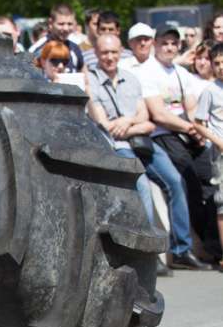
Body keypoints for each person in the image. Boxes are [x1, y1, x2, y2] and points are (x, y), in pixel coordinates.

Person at [88, 34, 202, 274]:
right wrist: (134, 123)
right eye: (105, 52)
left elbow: (145, 119)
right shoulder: (92, 81)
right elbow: (103, 124)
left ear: (121, 52)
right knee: (142, 187)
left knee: (175, 181)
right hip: (116, 145)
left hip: (142, 141)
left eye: (114, 52)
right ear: (97, 53)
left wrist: (129, 121)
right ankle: (151, 255)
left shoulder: (131, 78)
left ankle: (182, 250)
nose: (110, 57)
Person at [137, 25, 220, 262]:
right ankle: (194, 245)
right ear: (155, 44)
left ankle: (214, 241)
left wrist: (198, 131)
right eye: (165, 42)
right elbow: (159, 114)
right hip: (162, 134)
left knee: (211, 177)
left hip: (188, 133)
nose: (170, 47)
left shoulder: (181, 73)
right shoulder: (147, 72)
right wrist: (192, 129)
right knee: (187, 179)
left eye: (174, 43)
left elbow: (192, 107)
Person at [193, 43, 223, 263]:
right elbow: (199, 123)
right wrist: (218, 141)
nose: (221, 67)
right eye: (217, 63)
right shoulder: (210, 91)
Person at [32, 3, 85, 73]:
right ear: (51, 23)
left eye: (69, 24)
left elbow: (84, 75)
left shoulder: (75, 48)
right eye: (61, 24)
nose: (66, 28)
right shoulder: (39, 49)